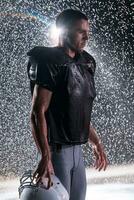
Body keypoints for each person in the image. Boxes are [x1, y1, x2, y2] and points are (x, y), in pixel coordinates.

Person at [27, 9, 108, 200]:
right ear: (63, 31)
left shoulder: (87, 62)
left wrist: (96, 142)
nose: (86, 36)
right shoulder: (49, 61)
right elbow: (37, 112)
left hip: (77, 154)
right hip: (56, 153)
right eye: (81, 31)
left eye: (88, 32)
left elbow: (77, 113)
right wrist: (45, 156)